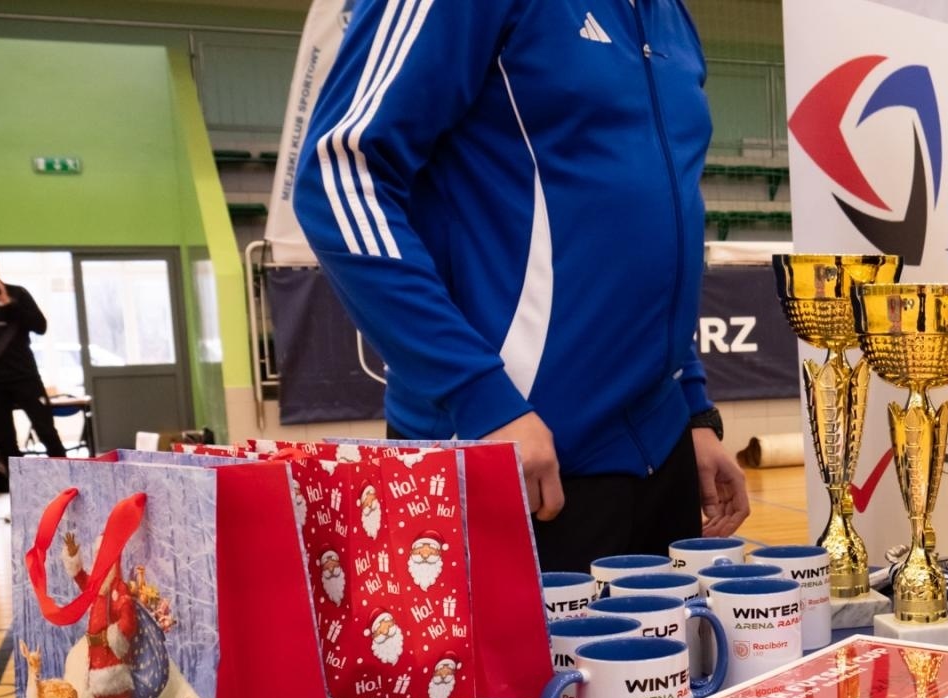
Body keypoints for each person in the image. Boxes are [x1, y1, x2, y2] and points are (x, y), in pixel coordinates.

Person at [293, 0, 748, 572]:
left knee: (678, 665)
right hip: (514, 456)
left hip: (661, 460)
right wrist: (480, 399)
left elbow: (635, 235)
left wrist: (693, 410)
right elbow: (338, 175)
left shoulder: (669, 14)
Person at [61, 530, 141, 698]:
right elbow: (81, 579)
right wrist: (73, 557)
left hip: (114, 671)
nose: (100, 568)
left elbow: (129, 625)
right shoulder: (97, 591)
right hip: (96, 672)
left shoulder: (120, 591)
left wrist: (108, 636)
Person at [0, 247, 67, 476]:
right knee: (6, 445)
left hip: (25, 378)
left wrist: (7, 301)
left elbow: (40, 327)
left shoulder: (17, 294)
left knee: (48, 433)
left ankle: (69, 483)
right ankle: (20, 494)